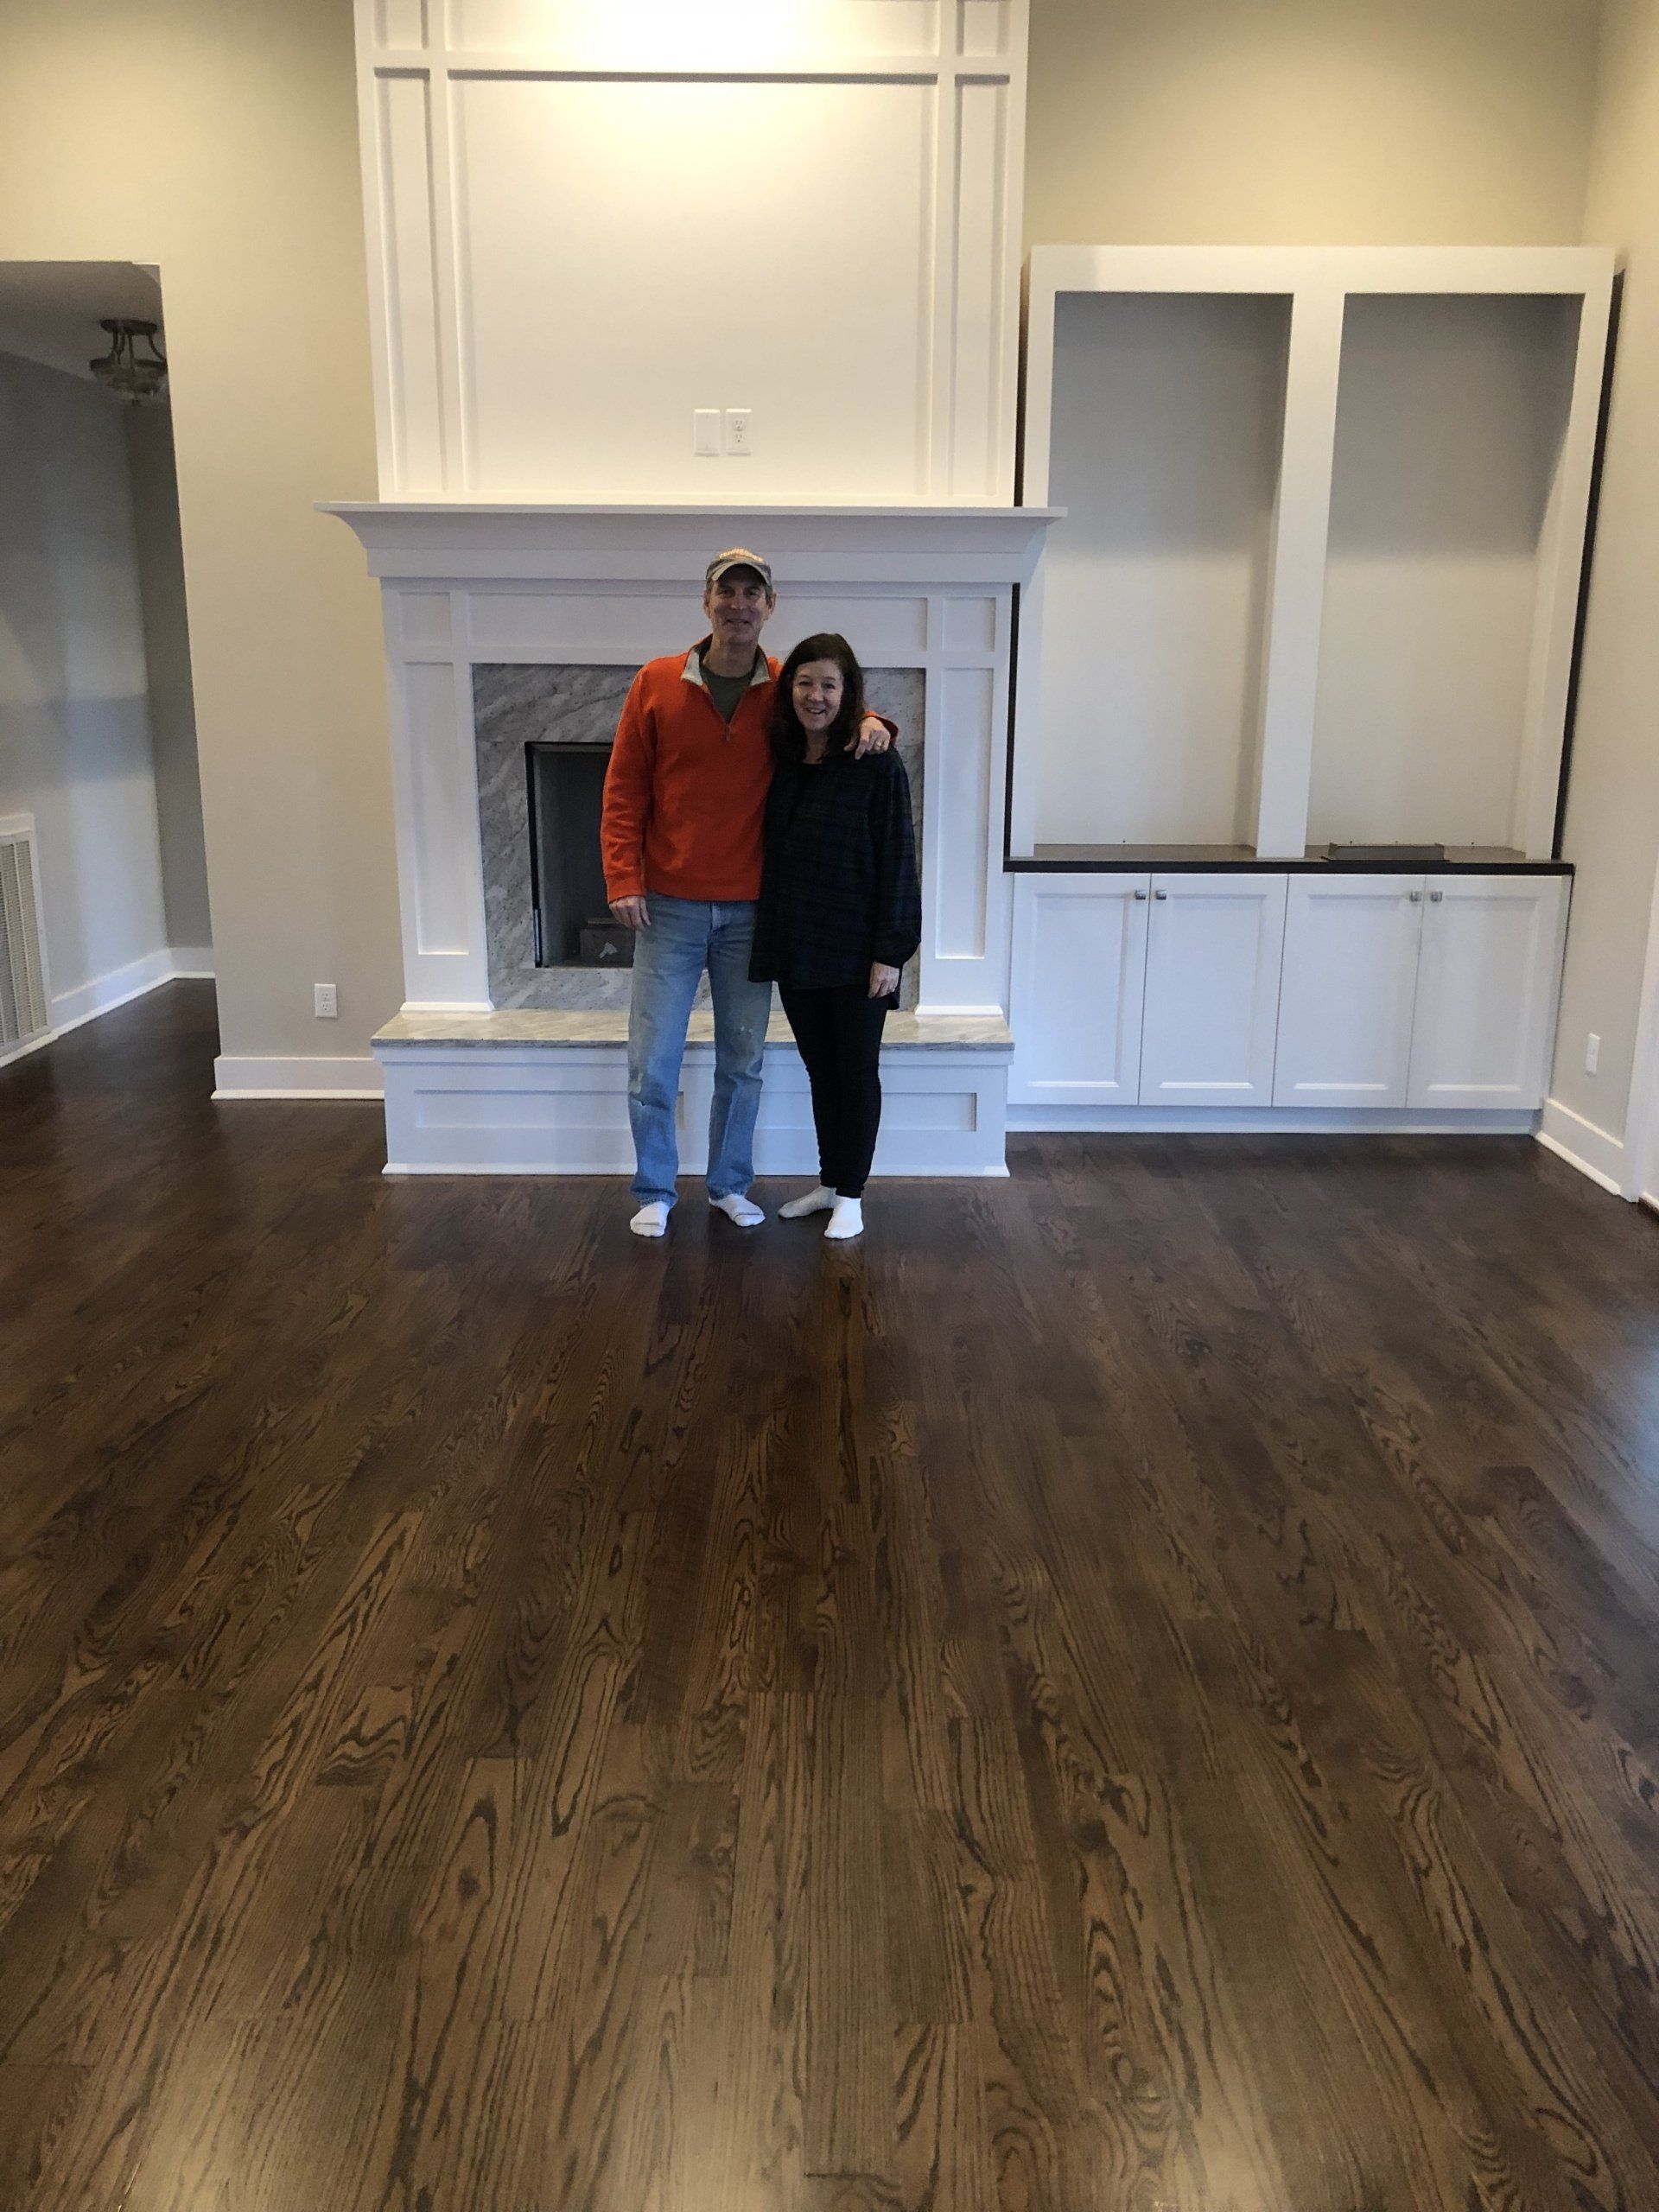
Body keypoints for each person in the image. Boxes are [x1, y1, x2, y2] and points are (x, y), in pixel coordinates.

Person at [601, 551, 892, 1238]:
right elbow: (622, 791)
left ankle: (730, 1184)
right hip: (667, 906)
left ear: (770, 605)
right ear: (706, 602)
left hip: (753, 913)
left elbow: (837, 696)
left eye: (751, 593)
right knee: (653, 1059)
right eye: (725, 592)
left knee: (743, 1060)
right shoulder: (656, 682)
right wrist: (622, 877)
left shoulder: (784, 686)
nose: (738, 604)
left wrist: (878, 722)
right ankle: (655, 1190)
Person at [749, 633, 921, 1242]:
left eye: (828, 685)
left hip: (859, 953)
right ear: (787, 690)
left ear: (848, 694)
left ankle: (852, 1193)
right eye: (804, 683)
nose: (815, 696)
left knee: (855, 1071)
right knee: (821, 1069)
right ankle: (830, 1180)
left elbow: (899, 858)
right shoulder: (786, 759)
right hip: (799, 947)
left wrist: (891, 953)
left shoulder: (875, 762)